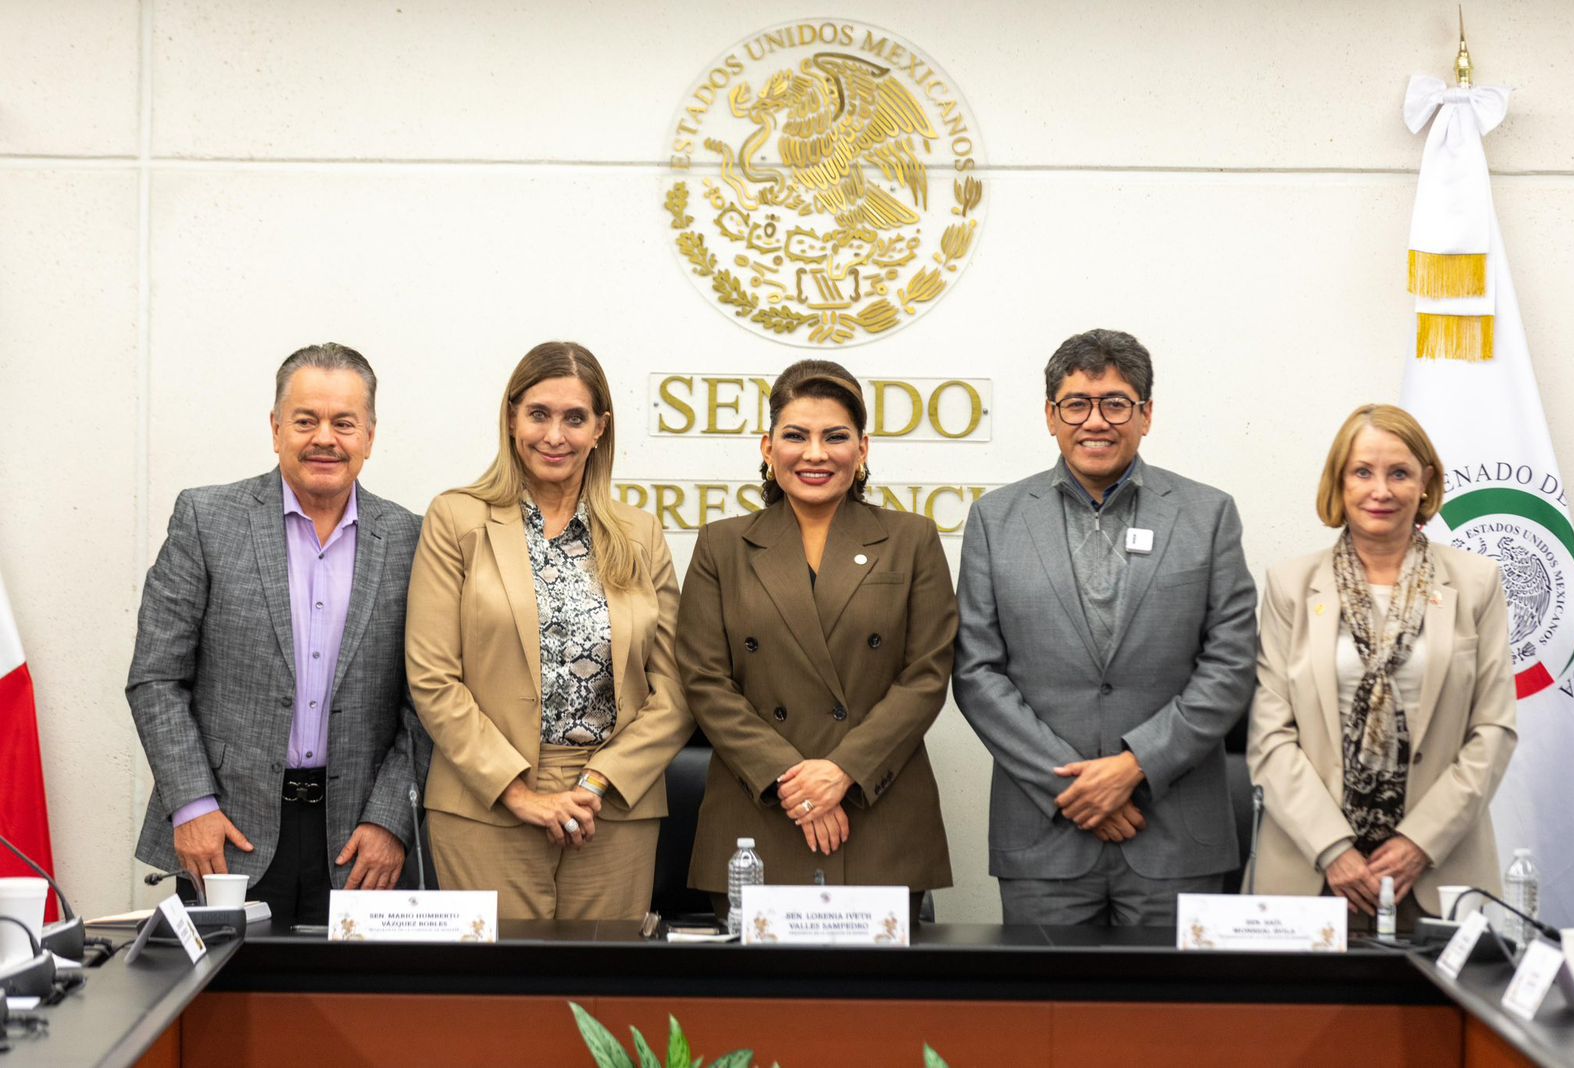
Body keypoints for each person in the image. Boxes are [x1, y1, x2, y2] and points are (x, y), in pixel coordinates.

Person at [954, 328, 1256, 926]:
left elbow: (1232, 662)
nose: (1096, 421)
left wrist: (1135, 766)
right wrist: (1073, 788)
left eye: (1116, 403)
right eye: (1077, 404)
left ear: (1146, 415)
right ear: (1050, 415)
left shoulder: (1208, 515)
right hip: (1045, 837)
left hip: (1174, 834)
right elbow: (975, 670)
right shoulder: (995, 519)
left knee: (1173, 1019)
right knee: (1045, 1018)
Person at [128, 343, 428, 925]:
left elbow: (424, 702)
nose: (325, 438)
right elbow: (156, 678)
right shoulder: (206, 519)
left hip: (360, 844)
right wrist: (190, 804)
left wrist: (390, 820)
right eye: (305, 420)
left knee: (352, 1010)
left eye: (344, 423)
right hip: (224, 832)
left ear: (369, 435)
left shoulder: (412, 540)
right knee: (221, 1011)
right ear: (275, 428)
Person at [406, 341, 692, 920]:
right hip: (483, 805)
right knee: (496, 1003)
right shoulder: (456, 519)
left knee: (601, 1003)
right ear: (512, 419)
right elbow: (433, 677)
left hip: (613, 809)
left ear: (600, 429)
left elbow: (678, 687)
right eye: (538, 414)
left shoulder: (640, 534)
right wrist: (519, 793)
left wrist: (597, 784)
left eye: (574, 418)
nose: (554, 436)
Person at [676, 359, 956, 917]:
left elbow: (927, 674)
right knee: (755, 1005)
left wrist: (843, 770)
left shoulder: (912, 538)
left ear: (863, 448)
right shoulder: (721, 545)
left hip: (877, 810)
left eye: (836, 437)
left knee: (878, 1004)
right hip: (759, 815)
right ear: (767, 446)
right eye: (795, 436)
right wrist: (794, 783)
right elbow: (704, 679)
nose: (815, 454)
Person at [1247, 404, 1517, 927]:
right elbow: (1269, 736)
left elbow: (1494, 728)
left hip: (1439, 874)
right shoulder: (1291, 587)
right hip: (1311, 876)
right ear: (1339, 482)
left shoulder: (1476, 583)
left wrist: (1420, 840)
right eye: (1363, 472)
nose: (1381, 490)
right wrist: (1333, 849)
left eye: (1400, 473)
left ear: (1425, 483)